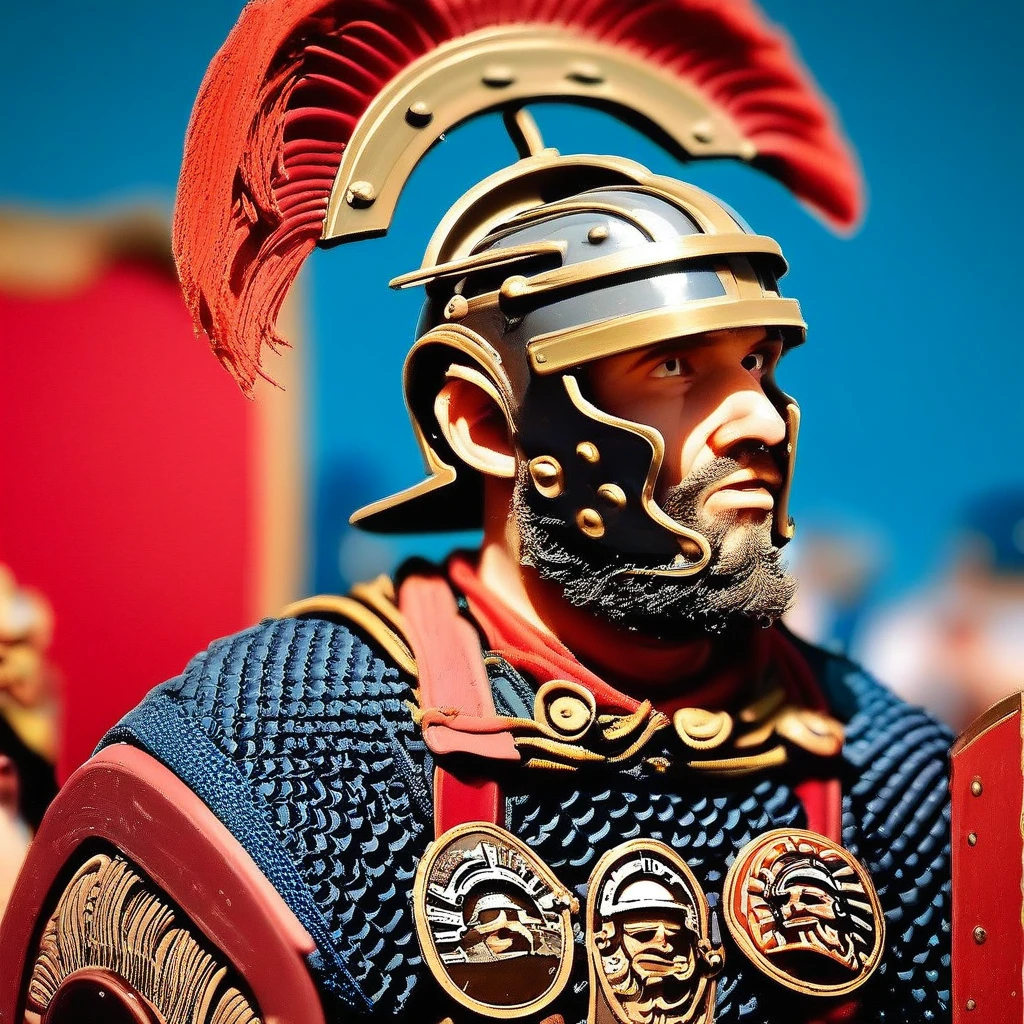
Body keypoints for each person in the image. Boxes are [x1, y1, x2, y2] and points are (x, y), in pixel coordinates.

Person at [0, 1, 954, 1022]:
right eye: (673, 366)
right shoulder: (288, 735)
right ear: (481, 421)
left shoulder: (881, 762)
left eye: (757, 366)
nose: (757, 419)